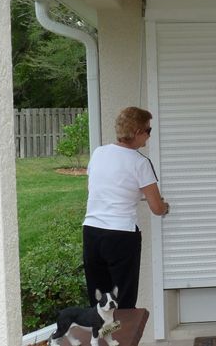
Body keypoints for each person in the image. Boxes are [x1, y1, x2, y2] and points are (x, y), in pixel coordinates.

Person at [82, 106, 169, 308]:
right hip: (121, 236)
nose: (148, 137)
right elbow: (157, 207)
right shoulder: (140, 162)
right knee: (124, 302)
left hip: (91, 232)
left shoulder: (98, 153)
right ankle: (122, 339)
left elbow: (100, 188)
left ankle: (103, 338)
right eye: (148, 131)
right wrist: (166, 207)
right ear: (138, 132)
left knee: (99, 301)